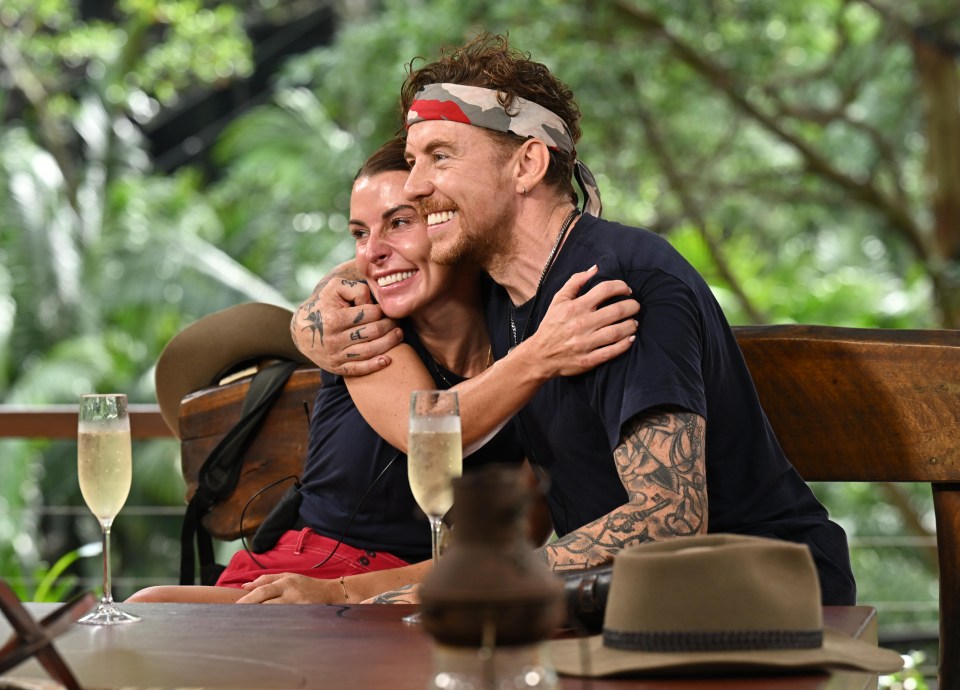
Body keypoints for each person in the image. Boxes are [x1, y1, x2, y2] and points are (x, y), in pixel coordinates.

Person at [307, 33, 857, 604]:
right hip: (629, 605)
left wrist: (470, 583)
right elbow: (377, 263)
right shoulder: (503, 291)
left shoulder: (618, 285)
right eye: (414, 160)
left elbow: (668, 519)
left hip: (765, 598)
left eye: (440, 156)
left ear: (527, 163)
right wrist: (315, 311)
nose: (416, 186)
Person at [128, 137, 638, 604]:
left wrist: (358, 593)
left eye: (399, 222)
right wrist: (543, 355)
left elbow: (508, 544)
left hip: (408, 592)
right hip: (295, 575)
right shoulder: (364, 328)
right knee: (148, 608)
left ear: (449, 224)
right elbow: (430, 432)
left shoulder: (525, 332)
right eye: (359, 233)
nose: (371, 251)